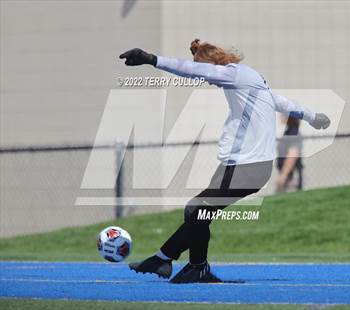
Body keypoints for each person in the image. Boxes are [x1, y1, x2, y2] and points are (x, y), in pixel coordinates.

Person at [119, 39, 330, 283]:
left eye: (206, 69)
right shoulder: (250, 78)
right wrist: (313, 117)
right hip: (240, 165)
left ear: (212, 63)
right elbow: (279, 101)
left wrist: (151, 59)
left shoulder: (233, 74)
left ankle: (187, 264)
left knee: (196, 209)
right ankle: (170, 260)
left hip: (248, 167)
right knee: (199, 214)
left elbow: (192, 70)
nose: (208, 80)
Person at [275, 116, 303, 192]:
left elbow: (293, 155)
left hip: (290, 176)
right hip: (287, 175)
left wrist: (283, 176)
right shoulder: (288, 132)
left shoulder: (293, 132)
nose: (280, 116)